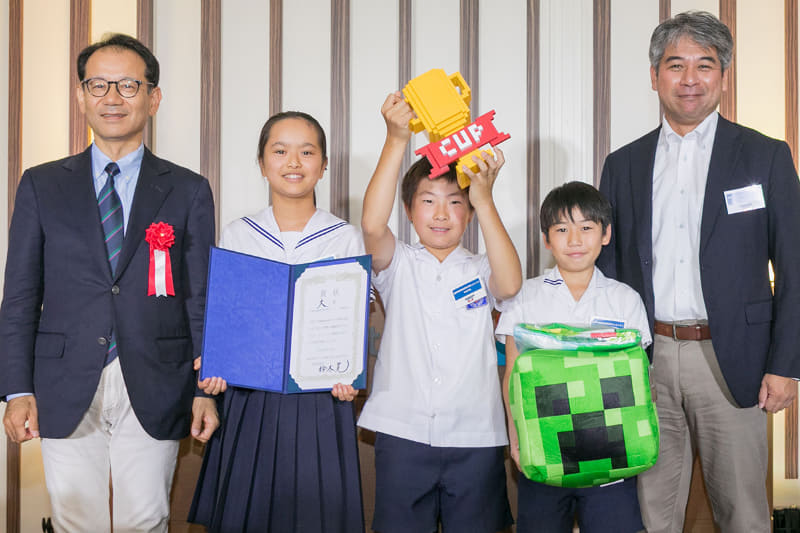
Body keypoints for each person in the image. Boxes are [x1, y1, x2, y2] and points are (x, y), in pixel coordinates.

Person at [0, 33, 218, 532]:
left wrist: (206, 388)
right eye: (98, 85)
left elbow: (201, 296)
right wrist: (15, 389)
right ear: (81, 97)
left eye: (128, 85)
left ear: (153, 98)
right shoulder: (41, 184)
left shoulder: (188, 189)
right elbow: (20, 295)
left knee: (147, 517)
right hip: (63, 377)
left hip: (157, 376)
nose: (112, 97)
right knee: (76, 519)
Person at [597, 11, 800, 533]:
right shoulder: (623, 164)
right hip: (647, 359)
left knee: (744, 515)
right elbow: (610, 271)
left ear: (723, 76)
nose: (690, 79)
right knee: (651, 515)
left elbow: (794, 265)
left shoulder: (765, 156)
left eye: (704, 65)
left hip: (735, 359)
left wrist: (787, 365)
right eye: (675, 65)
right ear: (654, 75)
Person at [189, 111, 365, 533]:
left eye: (307, 152)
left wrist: (349, 374)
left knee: (317, 517)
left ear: (324, 165)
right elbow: (226, 316)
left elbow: (353, 324)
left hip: (320, 400)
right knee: (246, 514)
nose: (293, 162)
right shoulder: (238, 234)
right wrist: (216, 364)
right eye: (280, 151)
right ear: (262, 163)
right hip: (251, 398)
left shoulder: (344, 237)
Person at [357, 92, 522, 533]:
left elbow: (510, 285)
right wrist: (396, 139)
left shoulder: (482, 268)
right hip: (403, 432)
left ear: (469, 214)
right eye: (428, 201)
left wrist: (484, 197)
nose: (442, 214)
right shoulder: (398, 263)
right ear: (409, 211)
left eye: (456, 202)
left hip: (476, 435)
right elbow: (371, 225)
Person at [496, 181, 651, 533]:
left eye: (586, 228)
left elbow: (640, 381)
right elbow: (513, 375)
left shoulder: (625, 299)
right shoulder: (525, 296)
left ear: (605, 234)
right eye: (562, 230)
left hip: (612, 452)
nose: (575, 240)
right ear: (547, 239)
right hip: (545, 449)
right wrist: (516, 439)